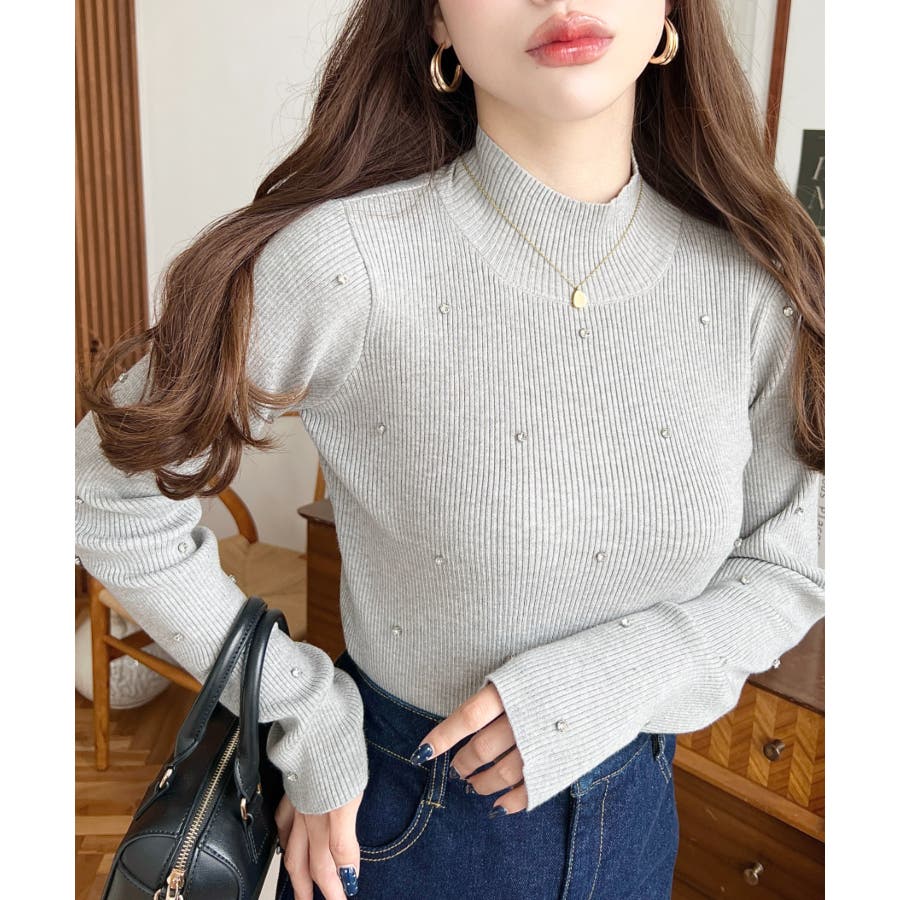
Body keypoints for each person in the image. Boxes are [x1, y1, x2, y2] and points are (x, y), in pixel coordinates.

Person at [74, 0, 825, 898]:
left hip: (637, 819)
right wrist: (304, 713)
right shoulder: (346, 262)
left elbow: (790, 559)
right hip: (408, 825)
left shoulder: (754, 287)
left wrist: (621, 676)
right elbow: (102, 493)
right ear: (436, 22)